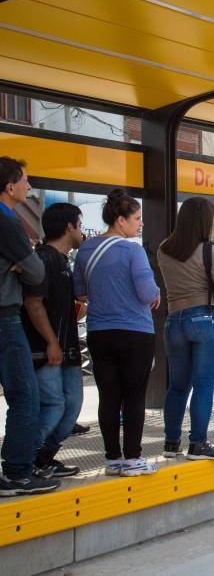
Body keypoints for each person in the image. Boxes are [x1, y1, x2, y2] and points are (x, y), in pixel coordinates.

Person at [73, 188, 160, 476]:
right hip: (135, 331)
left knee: (108, 395)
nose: (141, 223)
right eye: (137, 218)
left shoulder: (86, 250)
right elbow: (147, 293)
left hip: (99, 331)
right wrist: (156, 294)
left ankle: (112, 459)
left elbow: (80, 292)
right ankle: (133, 458)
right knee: (134, 395)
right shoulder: (132, 250)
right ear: (120, 221)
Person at [158, 198, 214, 460]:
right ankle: (198, 443)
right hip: (205, 319)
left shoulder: (164, 249)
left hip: (174, 320)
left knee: (178, 385)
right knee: (203, 385)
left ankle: (171, 443)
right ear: (204, 221)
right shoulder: (208, 250)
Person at [0, 157, 57, 496]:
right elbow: (36, 271)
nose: (29, 186)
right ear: (9, 188)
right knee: (25, 396)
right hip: (5, 318)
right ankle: (17, 472)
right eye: (24, 181)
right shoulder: (8, 222)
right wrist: (20, 266)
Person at [22, 203, 86, 478]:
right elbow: (33, 303)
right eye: (80, 225)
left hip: (65, 349)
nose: (82, 232)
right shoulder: (44, 259)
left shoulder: (62, 262)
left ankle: (43, 457)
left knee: (71, 405)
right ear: (69, 226)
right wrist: (51, 342)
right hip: (46, 350)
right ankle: (25, 459)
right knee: (54, 405)